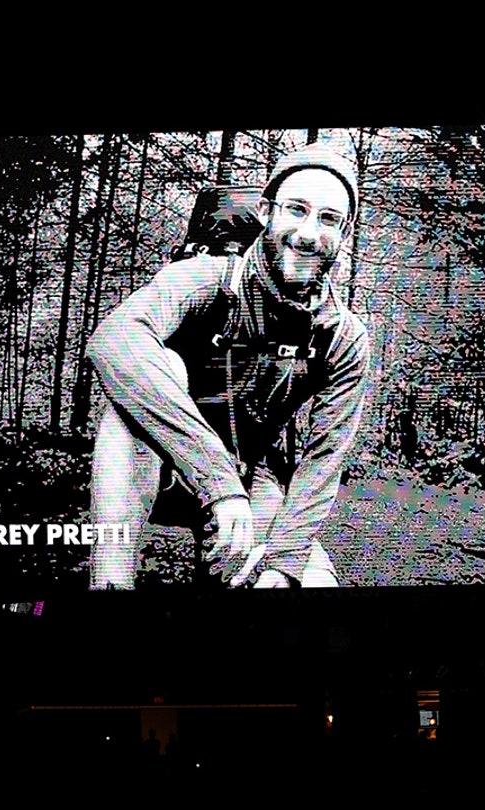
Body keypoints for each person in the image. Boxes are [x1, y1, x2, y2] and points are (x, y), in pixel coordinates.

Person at [87, 142, 370, 589]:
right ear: (266, 211)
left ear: (345, 233)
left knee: (311, 584)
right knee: (138, 402)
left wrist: (286, 559)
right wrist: (216, 481)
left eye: (329, 218)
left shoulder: (342, 334)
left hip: (251, 476)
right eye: (296, 209)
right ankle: (110, 585)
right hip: (157, 462)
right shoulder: (206, 277)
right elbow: (114, 341)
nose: (309, 233)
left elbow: (324, 459)